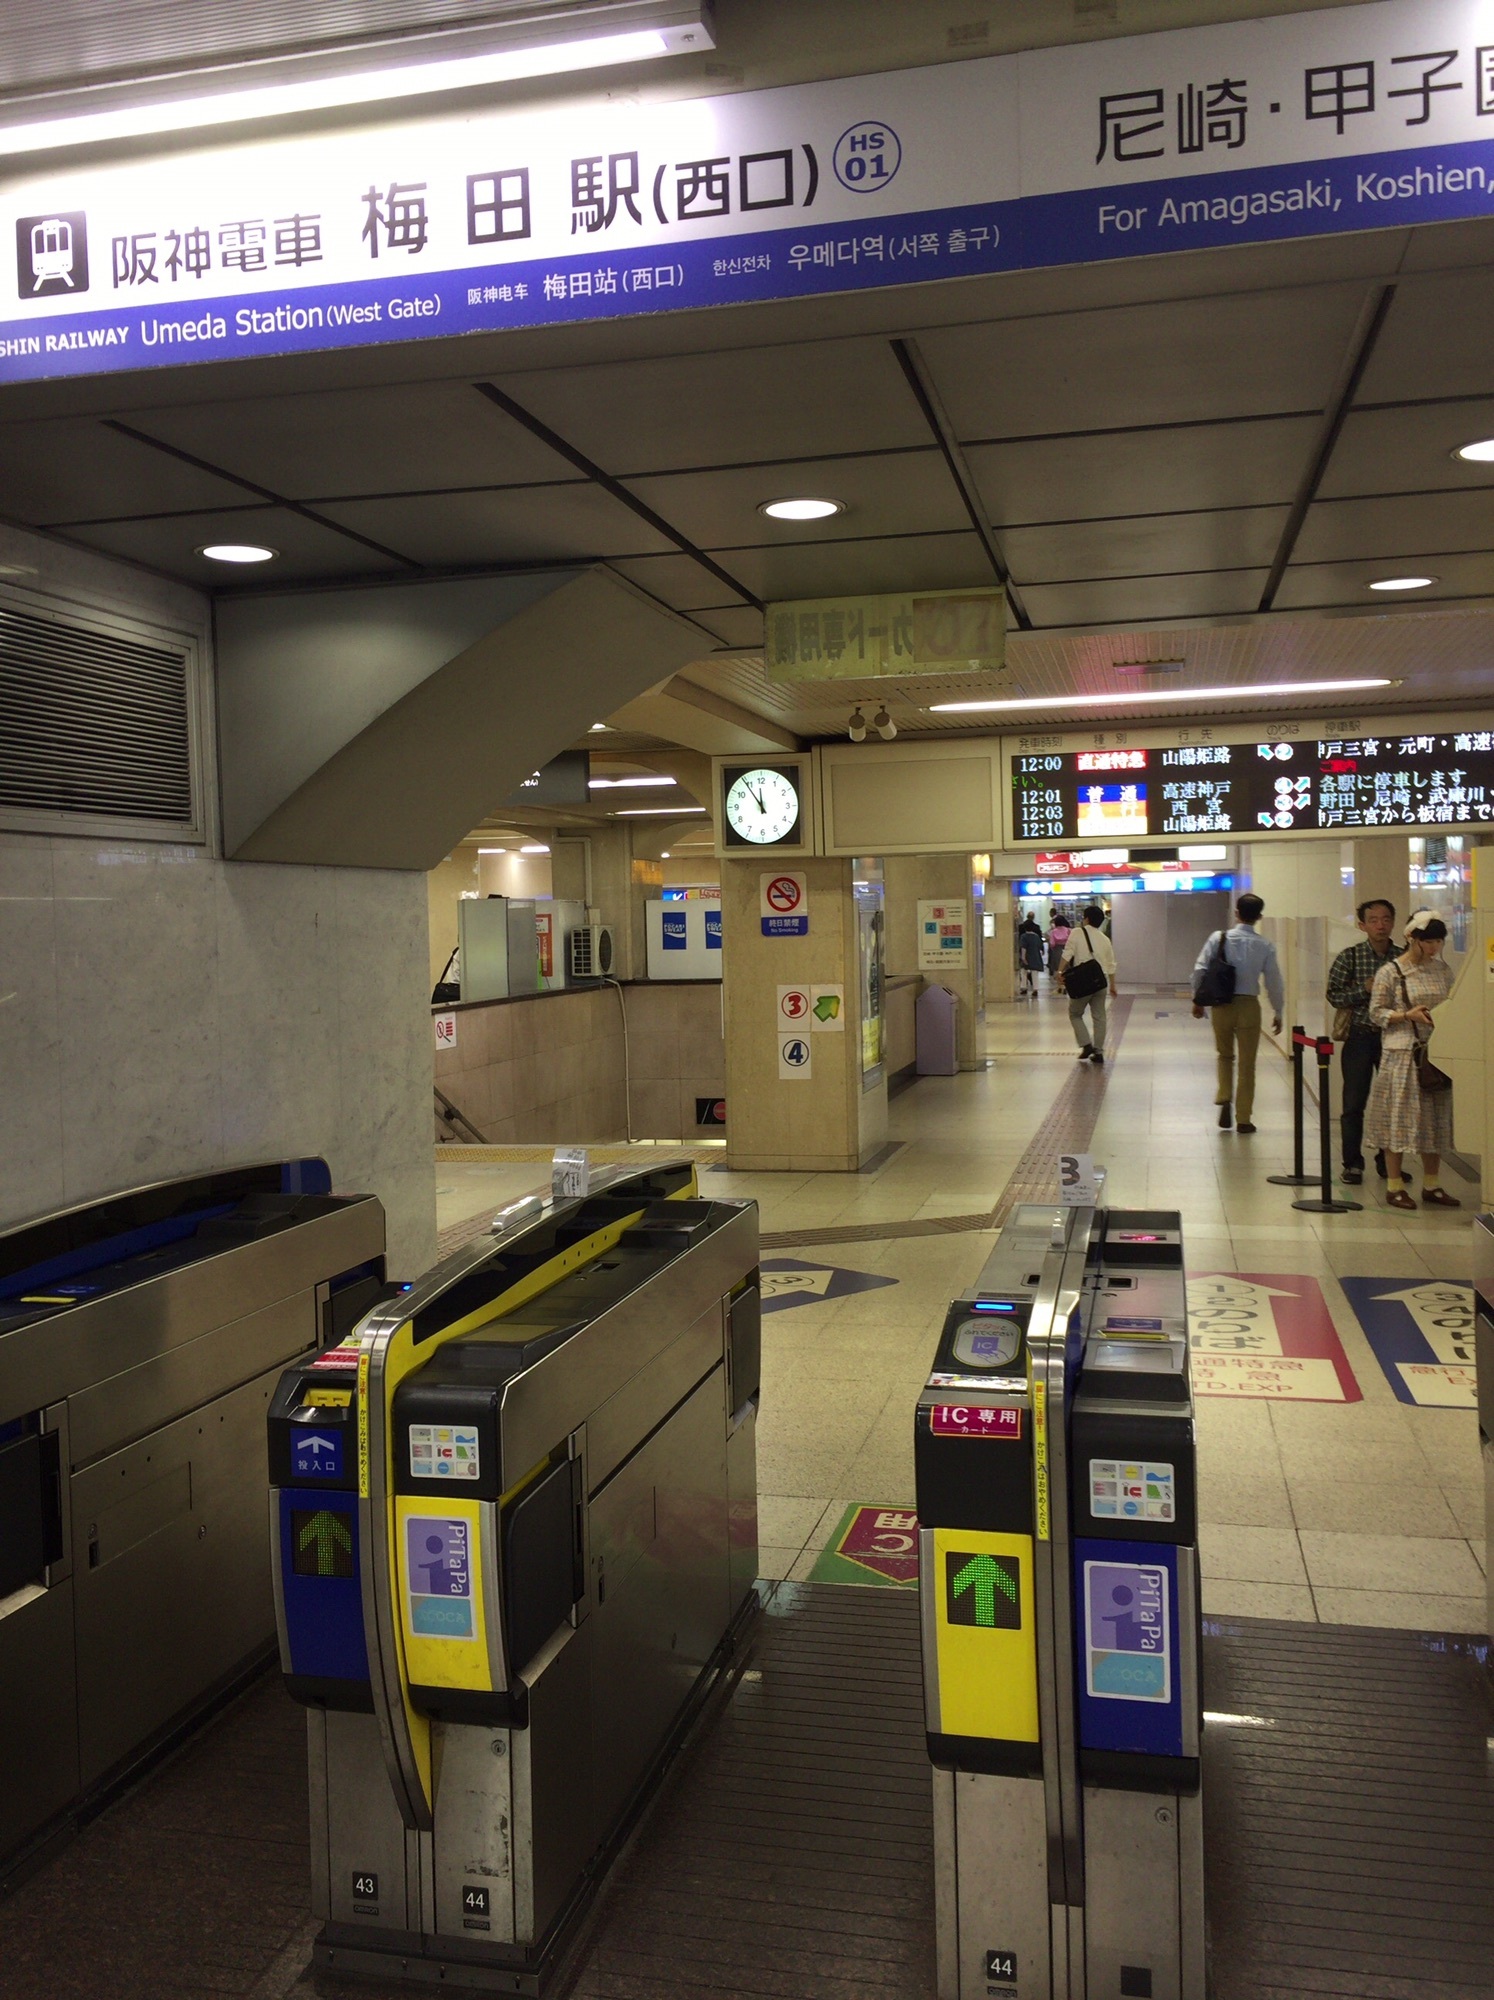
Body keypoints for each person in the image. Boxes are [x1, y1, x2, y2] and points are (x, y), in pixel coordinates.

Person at [1364, 911, 1459, 1210]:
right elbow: (1376, 1012)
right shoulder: (1391, 972)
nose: (1433, 948)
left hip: (1436, 1053)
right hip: (1402, 1053)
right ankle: (1394, 1186)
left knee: (1436, 1120)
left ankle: (1432, 1184)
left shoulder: (1442, 971)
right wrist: (1406, 1015)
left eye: (1438, 942)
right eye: (1428, 941)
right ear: (1412, 938)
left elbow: (1454, 1003)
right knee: (1399, 1119)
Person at [1192, 893, 1284, 1133]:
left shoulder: (1219, 937)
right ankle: (1243, 1118)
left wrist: (1197, 999)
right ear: (1259, 917)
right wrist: (1278, 1010)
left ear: (1236, 913)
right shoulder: (1265, 945)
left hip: (1222, 1004)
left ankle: (1224, 1095)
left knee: (1224, 1055)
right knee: (1247, 1064)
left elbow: (1200, 968)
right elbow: (1274, 981)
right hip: (1249, 1007)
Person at [1326, 898, 1399, 1185]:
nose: (1380, 925)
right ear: (1362, 925)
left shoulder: (1401, 958)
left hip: (1393, 1039)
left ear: (1393, 922)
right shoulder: (1350, 957)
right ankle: (1352, 1164)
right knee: (1353, 1103)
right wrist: (1363, 989)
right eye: (1373, 920)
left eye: (1385, 919)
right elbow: (1334, 995)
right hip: (1358, 1037)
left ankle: (1387, 1162)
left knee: (1391, 1104)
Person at [1058, 904, 1117, 1065]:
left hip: (1082, 982)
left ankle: (1086, 1045)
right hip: (1101, 982)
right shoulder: (1105, 939)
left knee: (1075, 1014)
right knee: (1099, 1017)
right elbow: (1111, 964)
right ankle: (1098, 1051)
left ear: (1087, 919)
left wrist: (1059, 972)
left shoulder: (1077, 932)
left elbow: (1067, 953)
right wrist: (1112, 985)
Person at [1017, 912, 1045, 998]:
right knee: (1034, 973)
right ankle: (1035, 989)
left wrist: (1023, 957)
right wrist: (1042, 951)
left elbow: (1023, 947)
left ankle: (1023, 987)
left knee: (1023, 971)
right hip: (1035, 956)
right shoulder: (1036, 936)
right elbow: (1040, 945)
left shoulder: (1024, 936)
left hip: (1027, 956)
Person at [1047, 910, 1071, 976]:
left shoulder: (1054, 931)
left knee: (1057, 965)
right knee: (1066, 963)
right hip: (1066, 948)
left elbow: (1052, 943)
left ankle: (1058, 977)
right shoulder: (1068, 930)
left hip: (1057, 949)